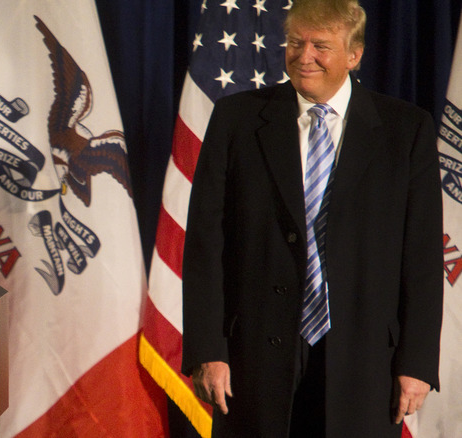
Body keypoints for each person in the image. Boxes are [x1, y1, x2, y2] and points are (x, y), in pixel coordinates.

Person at [181, 0, 443, 436]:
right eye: (295, 43)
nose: (304, 57)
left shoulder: (406, 130)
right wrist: (209, 349)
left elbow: (421, 257)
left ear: (354, 55)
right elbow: (206, 245)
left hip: (364, 361)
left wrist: (416, 362)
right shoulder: (237, 119)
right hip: (254, 359)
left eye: (320, 45)